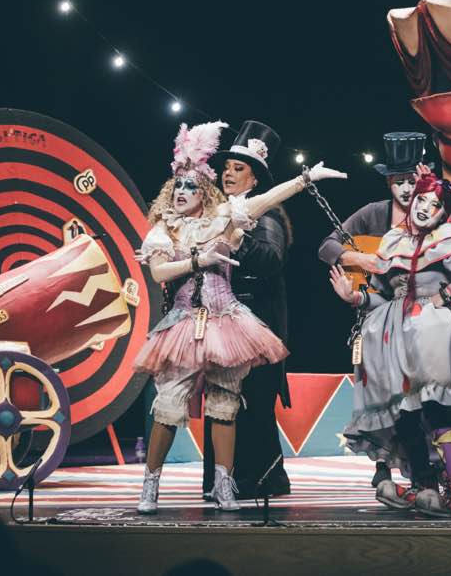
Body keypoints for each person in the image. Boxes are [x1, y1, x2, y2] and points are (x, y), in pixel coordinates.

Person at [135, 122, 346, 514]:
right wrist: (199, 259)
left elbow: (265, 201)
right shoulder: (165, 229)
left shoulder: (224, 217)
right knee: (168, 406)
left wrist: (305, 179)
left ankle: (225, 486)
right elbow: (160, 274)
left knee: (224, 405)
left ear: (205, 192)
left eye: (192, 187)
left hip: (226, 322)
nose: (183, 193)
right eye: (177, 187)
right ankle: (150, 486)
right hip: (184, 322)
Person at [326, 172, 451, 517]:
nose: (425, 208)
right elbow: (383, 299)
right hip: (394, 332)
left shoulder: (447, 236)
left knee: (437, 407)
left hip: (433, 329)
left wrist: (445, 293)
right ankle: (424, 484)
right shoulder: (393, 240)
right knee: (403, 413)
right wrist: (355, 299)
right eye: (421, 200)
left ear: (442, 213)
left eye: (435, 205)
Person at [316, 130, 431, 489]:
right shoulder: (372, 215)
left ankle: (422, 473)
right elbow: (327, 248)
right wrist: (363, 258)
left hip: (419, 319)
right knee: (379, 395)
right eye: (399, 181)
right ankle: (381, 468)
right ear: (389, 183)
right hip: (375, 317)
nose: (406, 188)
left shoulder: (431, 217)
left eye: (412, 180)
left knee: (420, 396)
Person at [202, 120, 293, 501]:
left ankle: (261, 480)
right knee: (221, 404)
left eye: (238, 169)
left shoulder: (267, 218)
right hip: (223, 323)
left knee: (252, 405)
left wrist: (235, 239)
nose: (228, 174)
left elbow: (269, 259)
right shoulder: (215, 214)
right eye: (226, 168)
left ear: (256, 180)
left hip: (257, 325)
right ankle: (222, 481)